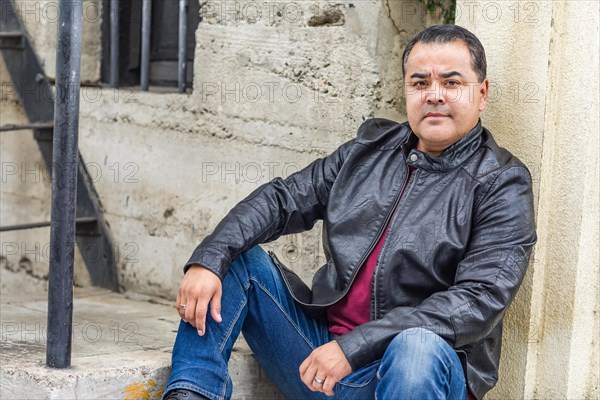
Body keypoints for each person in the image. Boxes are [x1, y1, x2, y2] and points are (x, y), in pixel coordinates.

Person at [163, 24, 537, 400]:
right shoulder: (367, 151)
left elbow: (478, 299)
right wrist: (209, 259)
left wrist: (355, 347)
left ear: (482, 93)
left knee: (416, 348)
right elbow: (281, 199)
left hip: (407, 374)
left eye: (452, 83)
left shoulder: (503, 183)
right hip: (320, 360)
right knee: (235, 258)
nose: (434, 96)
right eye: (420, 83)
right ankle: (192, 393)